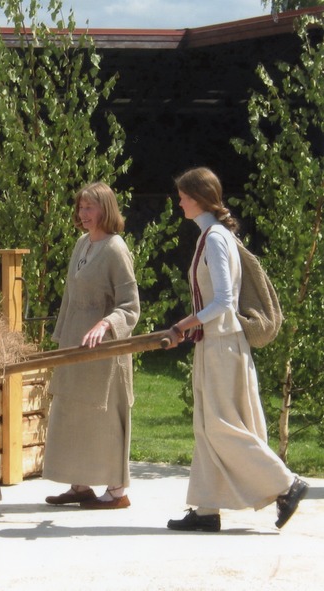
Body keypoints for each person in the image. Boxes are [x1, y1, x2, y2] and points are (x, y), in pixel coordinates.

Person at [164, 166, 308, 532]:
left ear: (197, 198)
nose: (179, 201)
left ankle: (286, 485)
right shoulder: (212, 235)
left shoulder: (214, 238)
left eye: (183, 195)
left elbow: (224, 302)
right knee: (206, 426)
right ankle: (207, 509)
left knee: (222, 427)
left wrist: (184, 324)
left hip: (222, 344)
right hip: (215, 343)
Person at [43, 182, 140, 510]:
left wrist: (106, 324)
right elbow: (70, 298)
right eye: (81, 207)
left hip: (105, 350)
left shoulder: (116, 248)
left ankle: (116, 492)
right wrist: (62, 337)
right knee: (72, 413)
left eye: (90, 208)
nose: (83, 214)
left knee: (104, 417)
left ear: (105, 210)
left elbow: (130, 305)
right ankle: (80, 485)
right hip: (76, 344)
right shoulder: (81, 245)